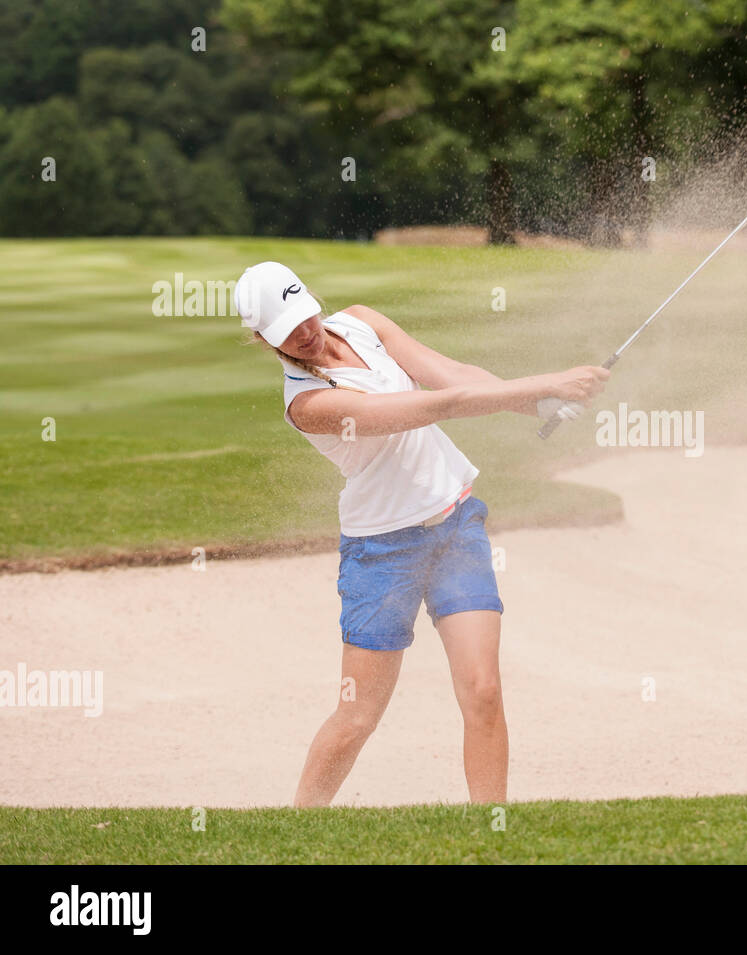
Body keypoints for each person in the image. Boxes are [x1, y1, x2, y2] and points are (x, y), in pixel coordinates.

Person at [233, 260, 608, 806]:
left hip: (456, 525)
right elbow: (435, 406)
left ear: (312, 297)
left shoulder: (360, 321)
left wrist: (536, 403)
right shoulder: (308, 405)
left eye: (305, 314)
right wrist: (547, 383)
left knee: (483, 691)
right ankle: (301, 824)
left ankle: (491, 831)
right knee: (359, 713)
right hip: (383, 552)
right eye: (287, 330)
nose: (305, 332)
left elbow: (450, 374)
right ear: (265, 340)